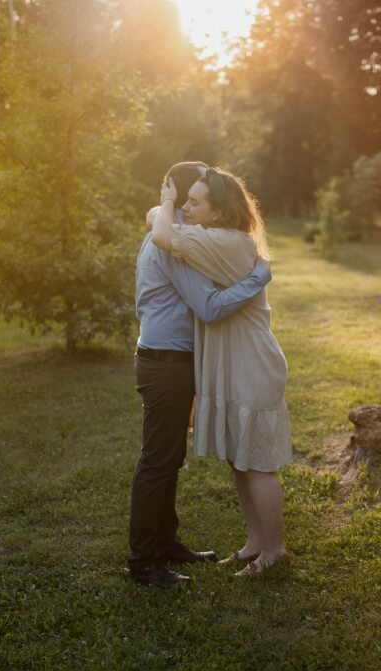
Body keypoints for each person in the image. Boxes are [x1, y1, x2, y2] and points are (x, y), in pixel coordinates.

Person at [129, 161, 273, 589]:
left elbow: (159, 218)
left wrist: (165, 207)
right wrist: (257, 278)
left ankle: (167, 541)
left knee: (169, 457)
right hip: (165, 363)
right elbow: (209, 307)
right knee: (157, 461)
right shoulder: (172, 246)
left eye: (197, 200)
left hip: (168, 360)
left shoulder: (169, 233)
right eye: (185, 199)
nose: (189, 209)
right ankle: (143, 563)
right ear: (174, 194)